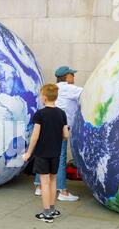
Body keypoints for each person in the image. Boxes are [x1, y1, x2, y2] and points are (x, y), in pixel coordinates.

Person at [34, 66, 83, 201]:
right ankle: (63, 192)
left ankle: (39, 187)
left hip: (46, 126)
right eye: (72, 74)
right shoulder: (69, 88)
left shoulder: (52, 88)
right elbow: (88, 94)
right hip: (60, 127)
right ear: (67, 76)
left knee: (43, 155)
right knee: (60, 158)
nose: (74, 77)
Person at [23, 84, 69, 223]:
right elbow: (66, 135)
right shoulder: (62, 113)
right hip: (56, 153)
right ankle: (53, 209)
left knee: (44, 182)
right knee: (53, 180)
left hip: (42, 153)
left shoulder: (40, 114)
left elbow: (35, 136)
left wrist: (28, 153)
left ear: (44, 97)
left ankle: (46, 213)